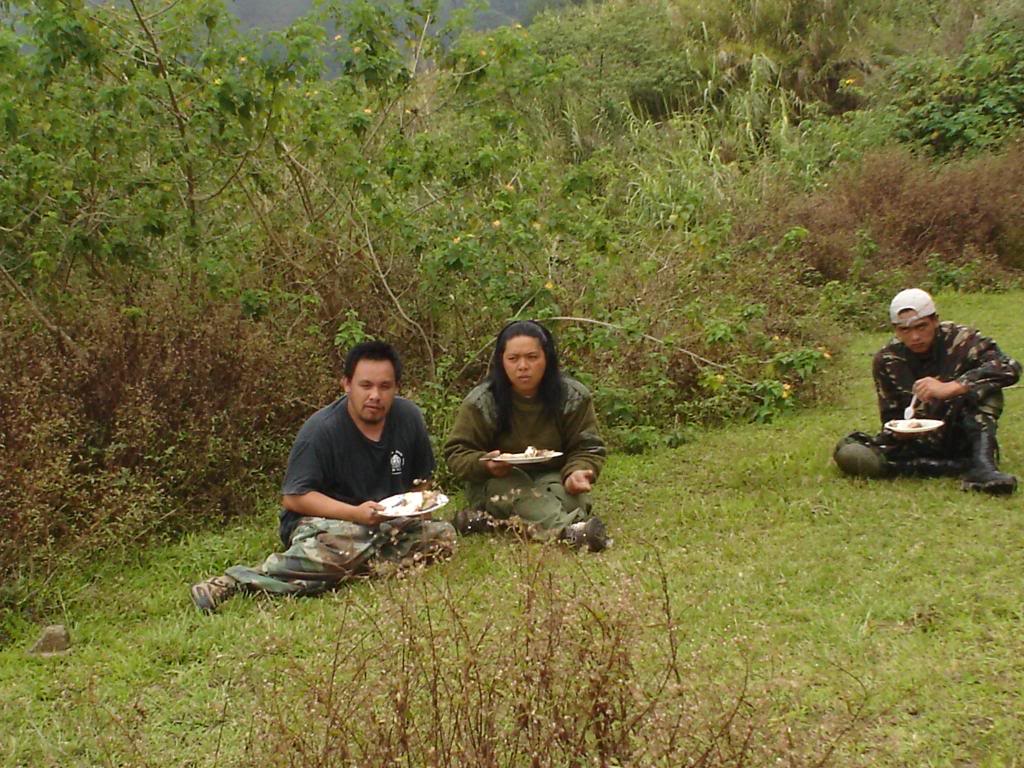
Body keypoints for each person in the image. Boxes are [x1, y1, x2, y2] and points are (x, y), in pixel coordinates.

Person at [190, 341, 457, 613]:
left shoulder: (409, 417)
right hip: (329, 523)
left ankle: (335, 572)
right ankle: (233, 581)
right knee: (345, 541)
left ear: (397, 387)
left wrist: (419, 512)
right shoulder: (321, 429)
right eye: (365, 386)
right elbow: (295, 497)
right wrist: (355, 514)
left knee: (442, 535)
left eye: (384, 387)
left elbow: (421, 484)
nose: (375, 395)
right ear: (346, 384)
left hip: (385, 521)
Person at [833, 288, 1020, 494]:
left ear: (935, 321)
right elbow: (892, 415)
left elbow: (1009, 367)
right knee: (851, 452)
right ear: (895, 330)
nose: (915, 336)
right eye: (904, 330)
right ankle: (942, 466)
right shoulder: (888, 359)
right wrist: (900, 430)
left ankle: (983, 467)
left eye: (922, 327)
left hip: (961, 432)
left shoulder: (962, 341)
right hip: (917, 441)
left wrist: (954, 387)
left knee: (983, 390)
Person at [443, 320, 609, 551]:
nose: (523, 366)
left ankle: (490, 521)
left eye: (532, 357)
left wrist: (578, 471)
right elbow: (456, 453)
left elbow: (588, 446)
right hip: (497, 482)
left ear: (547, 359)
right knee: (524, 495)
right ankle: (570, 533)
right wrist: (486, 464)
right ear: (501, 361)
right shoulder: (482, 401)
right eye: (513, 359)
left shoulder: (572, 396)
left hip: (552, 476)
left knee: (573, 499)